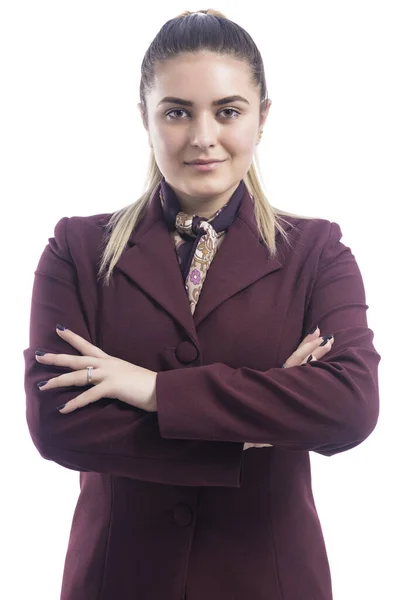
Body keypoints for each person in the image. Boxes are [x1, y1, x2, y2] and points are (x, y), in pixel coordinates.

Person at [23, 8, 381, 600]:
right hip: (117, 582)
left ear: (263, 118)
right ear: (146, 118)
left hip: (268, 582)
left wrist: (151, 390)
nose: (203, 137)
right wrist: (256, 424)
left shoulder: (317, 251)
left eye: (229, 111)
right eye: (177, 112)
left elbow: (349, 407)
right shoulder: (77, 249)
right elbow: (58, 427)